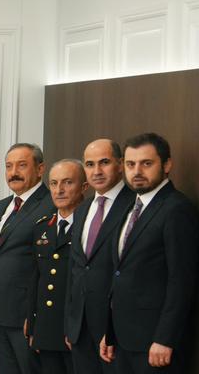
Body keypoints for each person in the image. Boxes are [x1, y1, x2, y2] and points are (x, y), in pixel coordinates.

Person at [99, 133, 199, 374]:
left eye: (146, 163)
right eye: (130, 164)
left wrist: (165, 338)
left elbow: (182, 281)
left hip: (156, 344)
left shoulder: (176, 209)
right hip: (123, 341)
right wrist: (110, 331)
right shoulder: (131, 207)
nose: (137, 171)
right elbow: (121, 273)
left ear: (167, 165)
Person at [0, 143, 55, 374]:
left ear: (40, 169)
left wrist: (36, 315)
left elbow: (49, 267)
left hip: (26, 315)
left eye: (22, 165)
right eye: (9, 166)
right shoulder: (2, 206)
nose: (13, 172)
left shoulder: (51, 204)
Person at [65, 138, 133, 374]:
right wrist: (70, 323)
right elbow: (75, 270)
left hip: (116, 330)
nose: (96, 171)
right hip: (80, 329)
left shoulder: (134, 205)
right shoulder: (83, 209)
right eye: (90, 164)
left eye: (104, 162)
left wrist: (113, 328)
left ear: (120, 164)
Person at [27, 159, 87, 374]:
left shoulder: (90, 225)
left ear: (84, 186)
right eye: (53, 183)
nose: (59, 190)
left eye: (67, 182)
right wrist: (33, 324)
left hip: (78, 329)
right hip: (47, 329)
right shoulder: (42, 227)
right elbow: (37, 278)